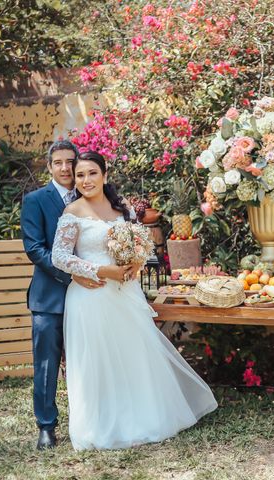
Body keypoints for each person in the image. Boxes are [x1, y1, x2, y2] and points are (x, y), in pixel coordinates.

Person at [51, 150, 217, 450]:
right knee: (100, 360)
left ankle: (144, 418)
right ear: (74, 181)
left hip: (125, 292)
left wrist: (136, 264)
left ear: (104, 174)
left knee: (132, 354)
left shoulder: (122, 207)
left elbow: (144, 246)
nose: (86, 180)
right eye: (80, 175)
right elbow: (59, 256)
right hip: (91, 295)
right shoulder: (72, 211)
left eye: (91, 173)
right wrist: (102, 270)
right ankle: (104, 426)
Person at [20, 140, 106, 450]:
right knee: (46, 365)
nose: (66, 168)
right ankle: (46, 426)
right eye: (59, 162)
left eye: (71, 162)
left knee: (92, 361)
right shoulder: (36, 200)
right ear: (49, 166)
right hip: (50, 299)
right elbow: (34, 248)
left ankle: (93, 419)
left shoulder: (93, 195)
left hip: (92, 297)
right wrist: (72, 275)